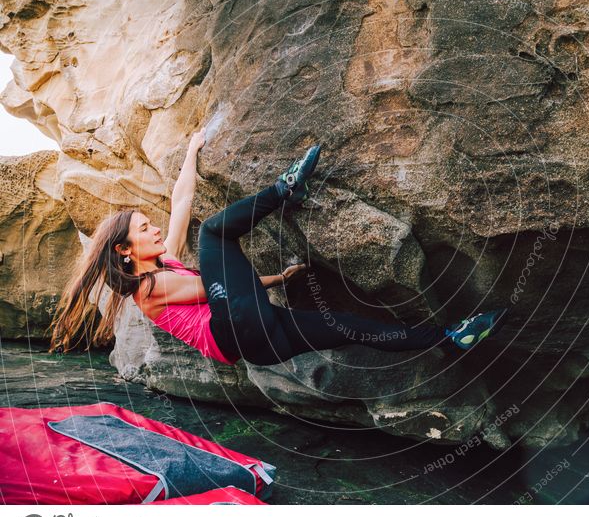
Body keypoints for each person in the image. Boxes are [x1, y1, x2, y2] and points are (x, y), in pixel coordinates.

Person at [48, 128, 508, 366]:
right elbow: (217, 288)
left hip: (261, 340)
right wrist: (264, 280)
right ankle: (284, 191)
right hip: (239, 331)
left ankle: (447, 340)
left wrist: (191, 153)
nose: (154, 231)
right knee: (212, 233)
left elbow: (182, 200)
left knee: (346, 326)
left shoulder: (163, 263)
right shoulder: (146, 291)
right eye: (144, 229)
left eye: (150, 225)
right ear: (125, 251)